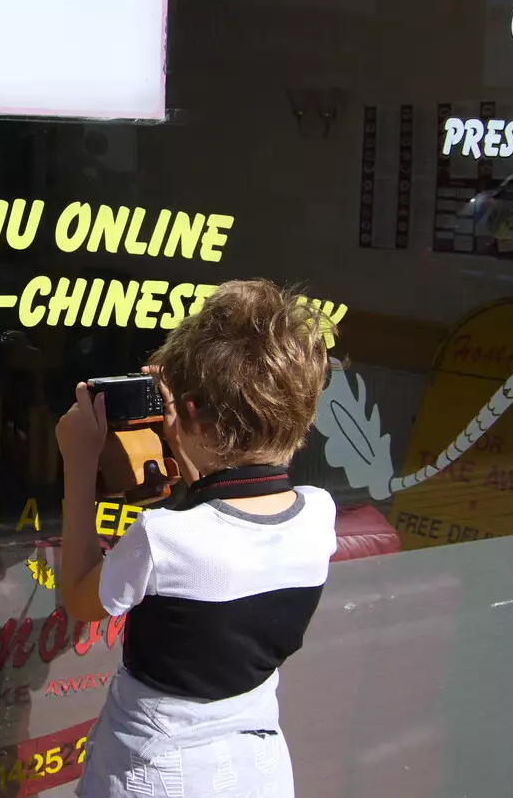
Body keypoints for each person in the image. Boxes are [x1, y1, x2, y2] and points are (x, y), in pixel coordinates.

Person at [56, 279, 336, 798]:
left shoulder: (163, 538)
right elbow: (229, 518)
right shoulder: (319, 514)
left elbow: (79, 596)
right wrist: (185, 441)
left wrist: (79, 461)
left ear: (187, 411)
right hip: (259, 764)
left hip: (158, 772)